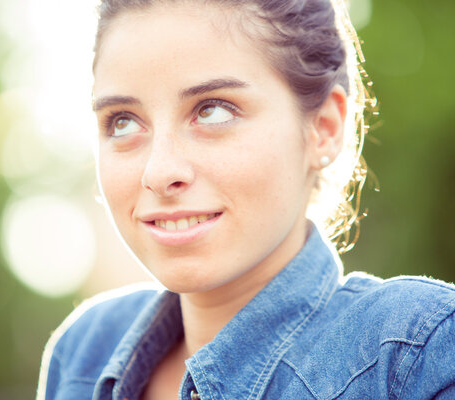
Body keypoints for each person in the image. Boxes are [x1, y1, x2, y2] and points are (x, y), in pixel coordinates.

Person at [37, 0, 455, 399]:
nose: (159, 173)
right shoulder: (83, 352)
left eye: (213, 110)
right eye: (123, 122)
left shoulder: (414, 357)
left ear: (323, 129)